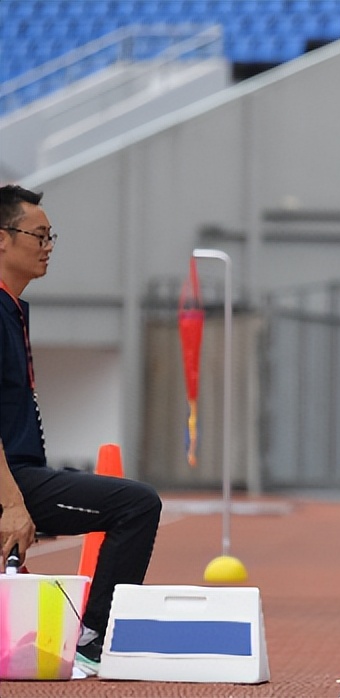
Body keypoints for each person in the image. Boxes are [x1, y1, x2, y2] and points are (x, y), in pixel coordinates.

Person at [0, 185, 162, 676]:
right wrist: (11, 503)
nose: (48, 246)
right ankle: (89, 643)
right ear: (2, 239)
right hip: (13, 478)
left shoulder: (15, 309)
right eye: (39, 235)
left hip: (23, 471)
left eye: (52, 237)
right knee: (136, 504)